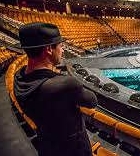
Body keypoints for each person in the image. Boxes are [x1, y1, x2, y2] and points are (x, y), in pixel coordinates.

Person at [14, 22, 98, 156]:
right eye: (60, 46)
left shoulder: (18, 78)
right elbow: (92, 101)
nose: (63, 50)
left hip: (47, 146)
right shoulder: (65, 84)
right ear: (48, 49)